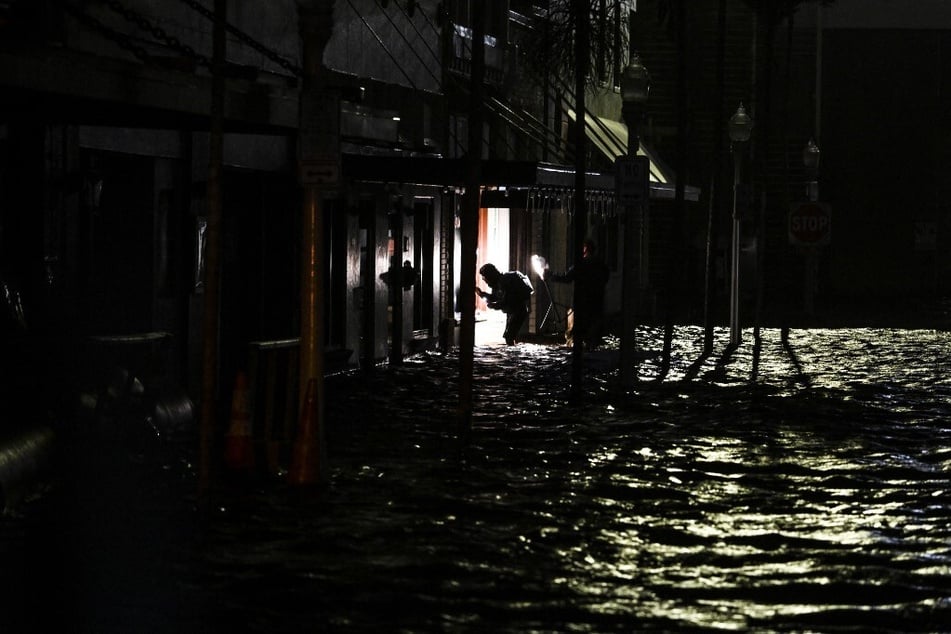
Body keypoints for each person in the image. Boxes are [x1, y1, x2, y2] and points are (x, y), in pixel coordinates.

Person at [546, 238, 610, 349]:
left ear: (585, 249)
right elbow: (605, 278)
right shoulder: (601, 265)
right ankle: (592, 347)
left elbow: (566, 277)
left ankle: (574, 346)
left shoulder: (581, 264)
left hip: (581, 301)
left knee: (575, 328)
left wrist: (550, 275)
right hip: (597, 300)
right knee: (593, 327)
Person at [476, 263, 533, 345]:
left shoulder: (504, 282)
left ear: (490, 276)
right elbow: (495, 297)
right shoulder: (498, 283)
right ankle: (513, 354)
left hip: (518, 311)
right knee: (510, 336)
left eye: (485, 278)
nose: (484, 280)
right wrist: (482, 294)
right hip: (512, 312)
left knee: (509, 336)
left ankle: (513, 355)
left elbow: (506, 300)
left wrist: (493, 306)